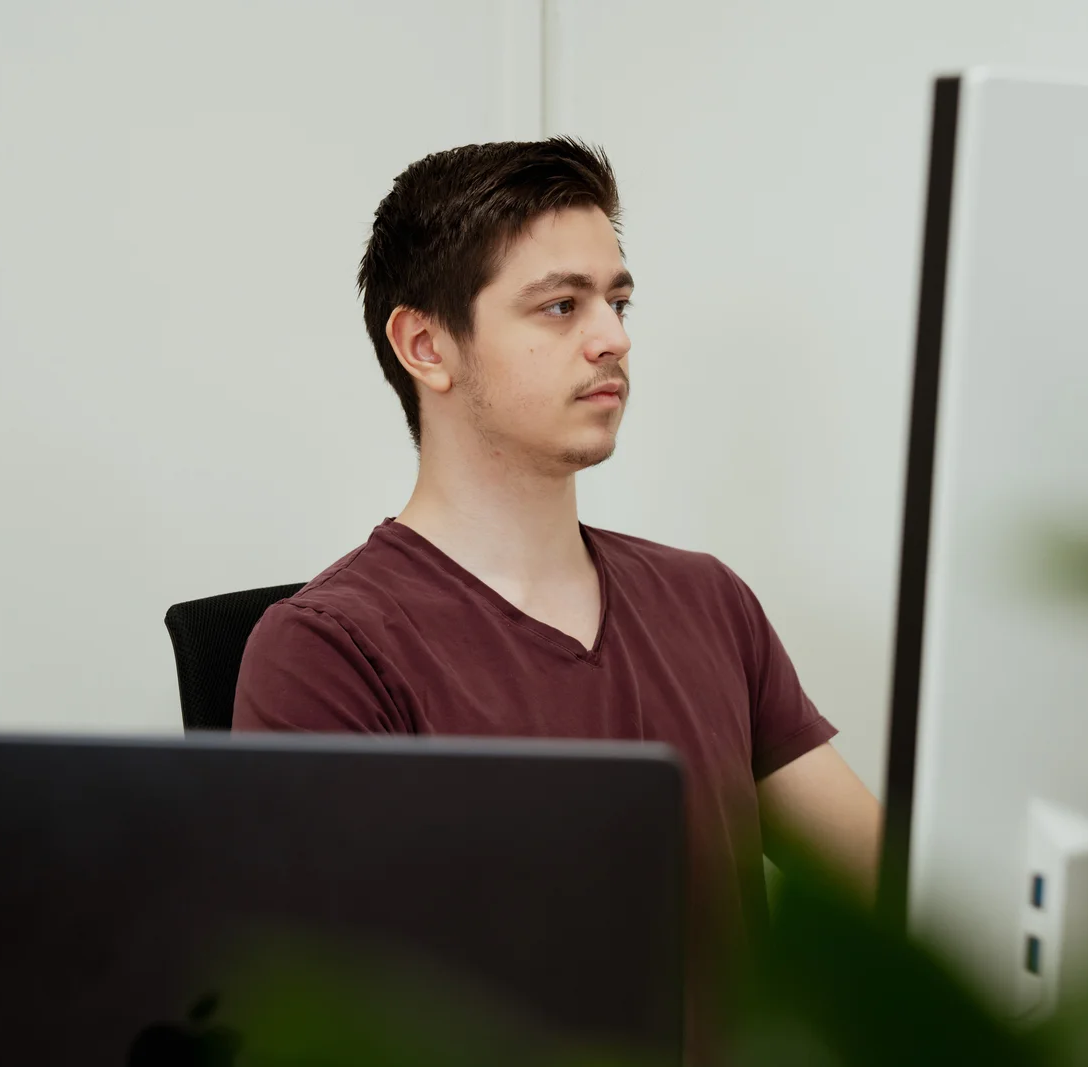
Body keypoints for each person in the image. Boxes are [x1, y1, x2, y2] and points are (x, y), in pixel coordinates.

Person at [232, 137, 883, 1054]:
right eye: (561, 305)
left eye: (618, 300)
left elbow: (883, 886)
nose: (613, 336)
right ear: (427, 346)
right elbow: (340, 1024)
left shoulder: (708, 598)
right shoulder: (329, 651)